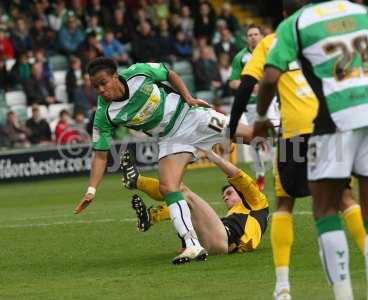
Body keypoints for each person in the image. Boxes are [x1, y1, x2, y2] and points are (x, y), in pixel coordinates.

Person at [255, 1, 368, 299]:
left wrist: (259, 119)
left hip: (333, 119)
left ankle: (343, 295)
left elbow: (268, 77)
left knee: (324, 208)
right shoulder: (360, 11)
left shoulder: (296, 23)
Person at [73, 57, 253, 264]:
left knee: (249, 136)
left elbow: (169, 73)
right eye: (95, 86)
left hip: (191, 116)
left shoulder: (139, 73)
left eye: (103, 83)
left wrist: (189, 97)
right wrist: (91, 190)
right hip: (171, 138)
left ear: (115, 77)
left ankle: (290, 132)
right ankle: (192, 244)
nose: (100, 90)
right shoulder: (104, 114)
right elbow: (100, 154)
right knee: (168, 187)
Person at [121, 148, 268, 254]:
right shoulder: (233, 216)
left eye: (229, 192)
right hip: (214, 241)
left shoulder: (258, 203)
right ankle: (151, 215)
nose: (225, 197)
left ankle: (137, 182)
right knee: (181, 199)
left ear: (240, 193)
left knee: (181, 190)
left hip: (224, 241)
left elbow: (238, 176)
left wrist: (210, 154)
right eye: (224, 196)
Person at [228, 24, 274, 191]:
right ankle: (260, 174)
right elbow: (232, 82)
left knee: (276, 136)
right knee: (255, 139)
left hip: (272, 101)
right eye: (250, 35)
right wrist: (248, 84)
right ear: (246, 38)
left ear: (261, 36)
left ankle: (278, 173)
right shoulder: (240, 57)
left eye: (256, 34)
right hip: (251, 105)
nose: (253, 37)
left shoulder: (270, 52)